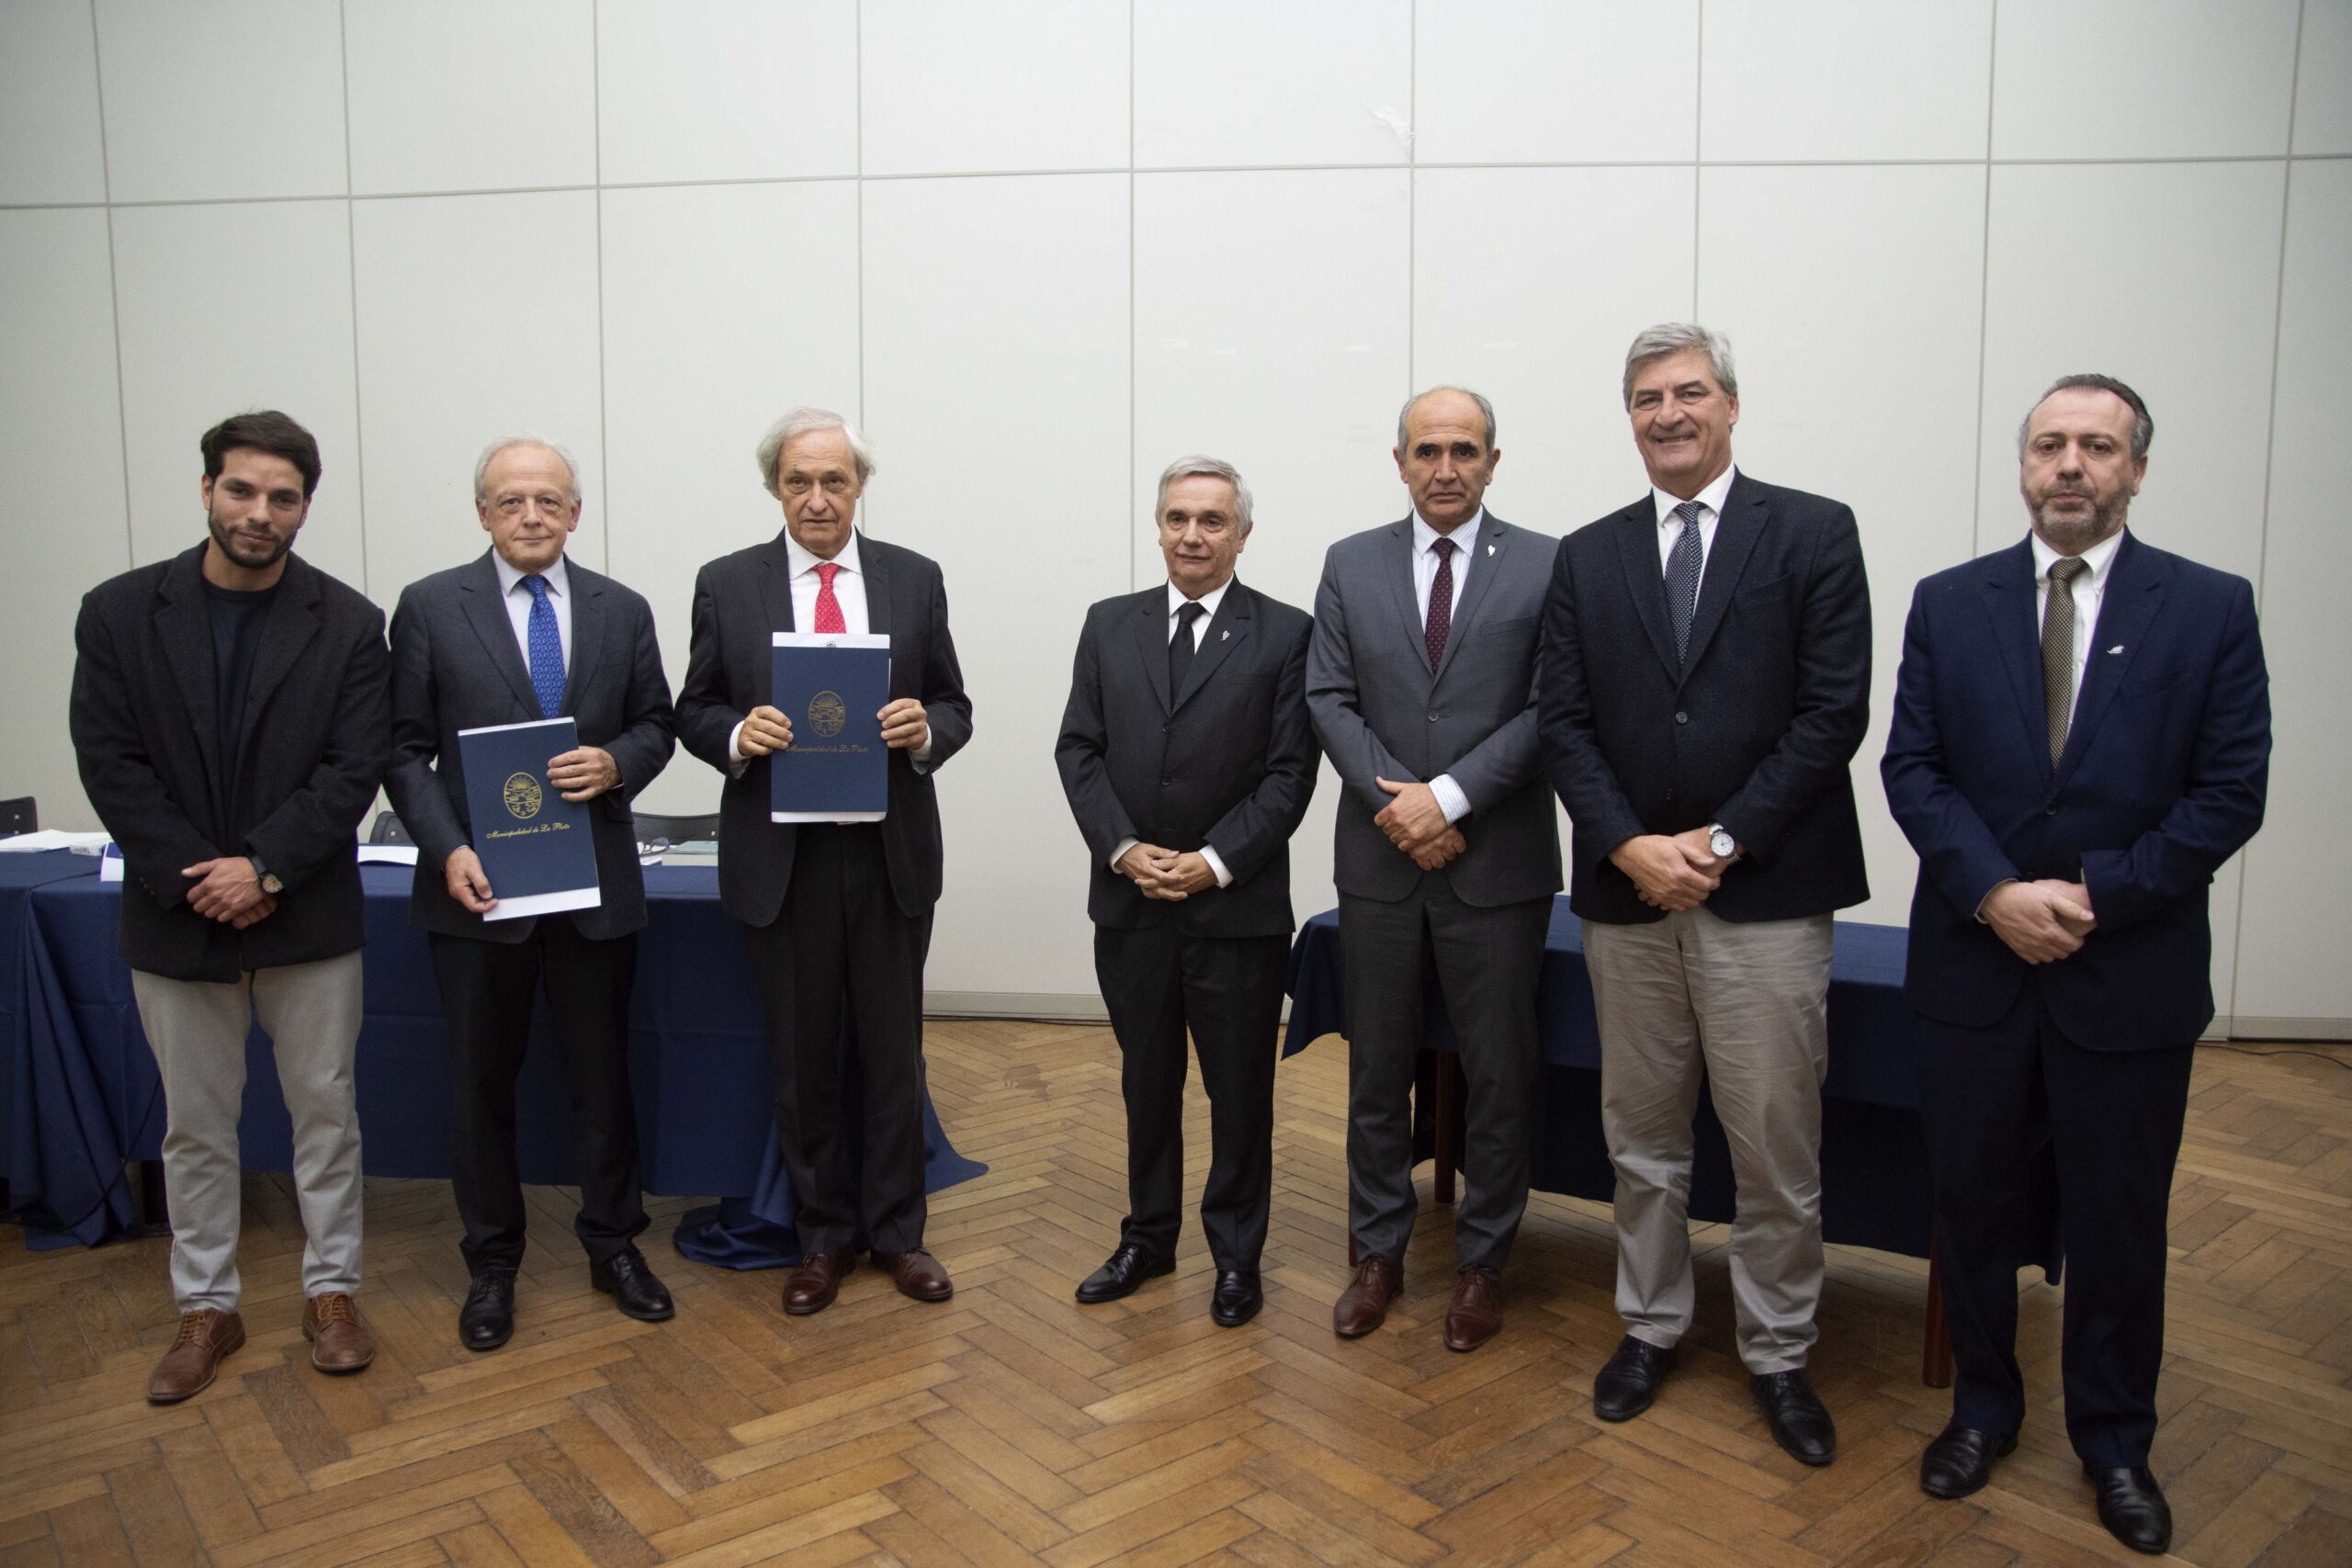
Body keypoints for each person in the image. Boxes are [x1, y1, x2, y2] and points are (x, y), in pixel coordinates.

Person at [1883, 375, 2269, 1554]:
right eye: (2048, 443)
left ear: (2135, 470)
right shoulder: (1948, 602)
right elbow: (1912, 771)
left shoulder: (2208, 607)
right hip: (1975, 966)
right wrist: (1996, 893)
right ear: (2021, 465)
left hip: (2128, 974)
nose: (2068, 465)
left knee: (2118, 1223)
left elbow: (2229, 792)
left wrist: (2100, 896)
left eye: (2096, 447)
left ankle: (2114, 1441)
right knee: (1971, 1205)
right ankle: (1982, 1410)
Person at [1539, 323, 1871, 1467]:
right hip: (1628, 899)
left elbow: (1832, 713)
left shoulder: (1814, 532)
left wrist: (1719, 842)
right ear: (1628, 418)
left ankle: (1777, 1351)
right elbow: (1563, 724)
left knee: (1774, 1147)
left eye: (1688, 392)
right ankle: (1650, 1326)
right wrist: (1630, 845)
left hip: (1765, 896)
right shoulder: (1586, 555)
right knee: (1641, 1139)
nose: (1668, 413)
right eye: (1647, 397)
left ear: (1730, 405)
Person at [70, 410, 389, 1402]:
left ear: (305, 508)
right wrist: (200, 875)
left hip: (307, 913)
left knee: (325, 1116)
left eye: (282, 498)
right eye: (242, 490)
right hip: (177, 916)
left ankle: (332, 1292)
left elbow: (353, 769)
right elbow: (109, 762)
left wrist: (264, 868)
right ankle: (206, 1305)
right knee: (195, 1128)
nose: (260, 512)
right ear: (207, 489)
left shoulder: (350, 622)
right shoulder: (119, 613)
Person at [383, 436, 679, 1351]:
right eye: (510, 500)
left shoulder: (621, 609)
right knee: (481, 1086)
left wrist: (615, 762)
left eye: (549, 500)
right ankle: (492, 1262)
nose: (531, 515)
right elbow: (401, 748)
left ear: (575, 513)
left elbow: (657, 723)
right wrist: (447, 848)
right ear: (482, 512)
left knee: (602, 1080)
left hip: (593, 890)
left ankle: (613, 1245)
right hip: (478, 893)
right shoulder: (431, 606)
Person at [675, 407, 972, 1315]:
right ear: (775, 486)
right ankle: (821, 1238)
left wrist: (925, 730)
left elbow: (954, 704)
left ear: (859, 486)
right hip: (785, 859)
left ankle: (899, 1234)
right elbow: (694, 708)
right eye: (799, 481)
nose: (816, 498)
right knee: (802, 1062)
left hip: (887, 855)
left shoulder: (913, 578)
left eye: (833, 480)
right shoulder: (728, 583)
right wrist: (737, 733)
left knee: (892, 1055)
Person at [1305, 387, 1559, 1352]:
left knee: (1499, 1073)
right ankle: (1377, 1254)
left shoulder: (1547, 563)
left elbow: (1551, 706)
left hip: (1497, 862)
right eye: (1426, 451)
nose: (1444, 468)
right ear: (1400, 462)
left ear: (1493, 461)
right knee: (1377, 1071)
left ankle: (1483, 1264)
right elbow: (1328, 697)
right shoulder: (1349, 562)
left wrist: (1446, 799)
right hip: (1380, 863)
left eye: (1463, 450)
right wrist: (1402, 811)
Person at [1055, 457, 1317, 1327]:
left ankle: (1236, 1255)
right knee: (1147, 1080)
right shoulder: (1108, 623)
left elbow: (1290, 773)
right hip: (1130, 904)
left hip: (1235, 910)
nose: (1193, 535)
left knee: (1239, 1092)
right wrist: (1124, 848)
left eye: (1212, 520)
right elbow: (1078, 749)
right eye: (1178, 518)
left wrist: (1212, 861)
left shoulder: (1286, 633)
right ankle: (1148, 1236)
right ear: (1159, 526)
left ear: (1243, 533)